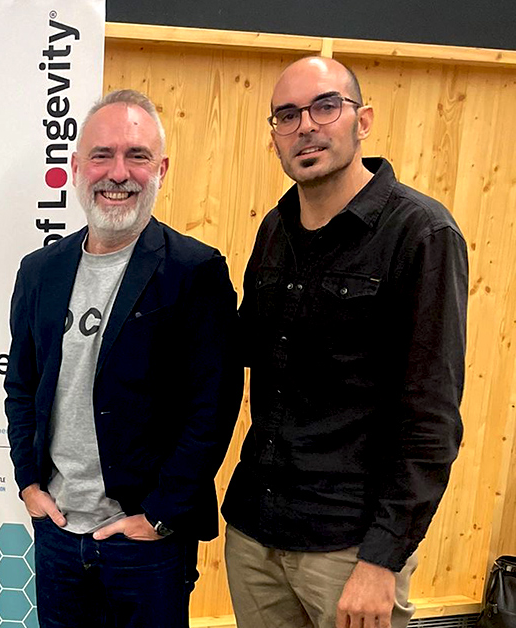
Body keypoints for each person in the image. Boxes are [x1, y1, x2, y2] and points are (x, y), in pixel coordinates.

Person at [223, 56, 468, 628]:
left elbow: (431, 418)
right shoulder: (275, 228)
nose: (305, 126)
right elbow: (246, 351)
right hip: (255, 534)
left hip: (348, 548)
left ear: (363, 120)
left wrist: (383, 560)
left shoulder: (422, 234)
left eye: (325, 106)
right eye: (286, 115)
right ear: (275, 137)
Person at [4, 89, 242, 628]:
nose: (119, 172)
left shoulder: (194, 271)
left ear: (162, 168)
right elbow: (22, 385)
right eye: (102, 155)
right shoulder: (40, 272)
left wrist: (157, 516)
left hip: (145, 543)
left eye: (137, 156)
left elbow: (214, 405)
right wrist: (28, 482)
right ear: (76, 166)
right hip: (60, 535)